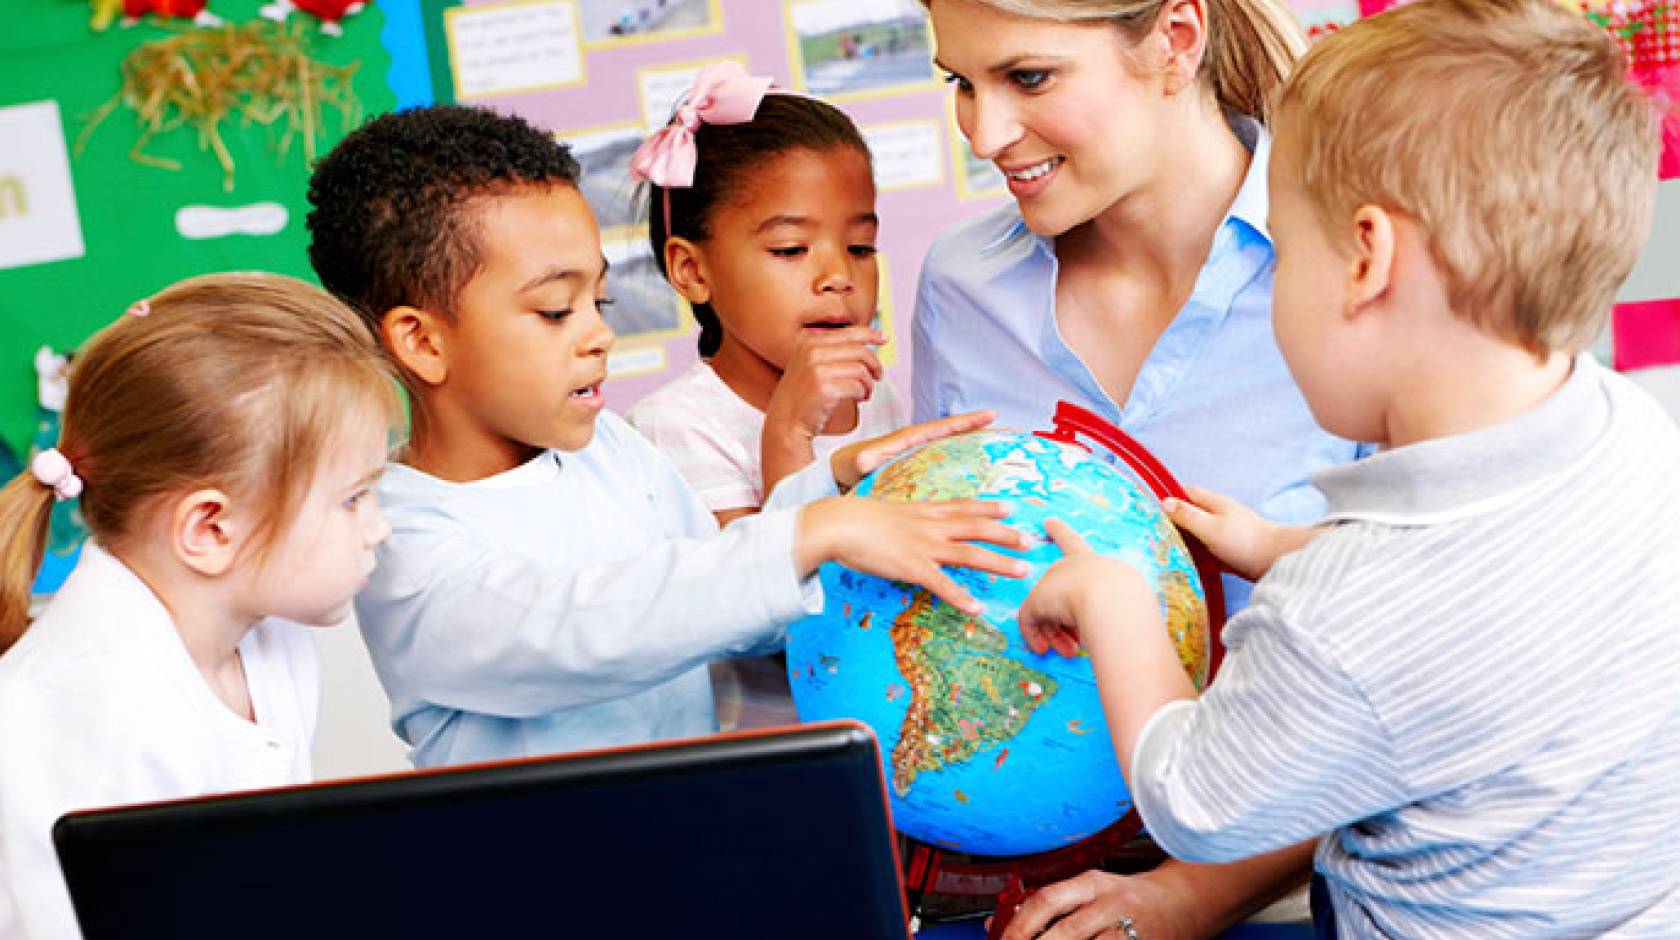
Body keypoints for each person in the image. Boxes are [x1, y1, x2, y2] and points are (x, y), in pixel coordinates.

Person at [1017, 0, 1680, 934]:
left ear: (1367, 260)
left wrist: (1110, 596)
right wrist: (1284, 546)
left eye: (1283, 253)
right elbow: (1483, 596)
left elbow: (1192, 799)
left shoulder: (1344, 612)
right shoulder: (1630, 435)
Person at [304, 104, 1029, 769]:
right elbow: (575, 629)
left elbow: (724, 594)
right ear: (422, 343)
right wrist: (815, 527)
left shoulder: (611, 453)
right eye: (556, 310)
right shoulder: (395, 535)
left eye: (599, 299)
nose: (598, 333)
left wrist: (830, 481)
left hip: (689, 851)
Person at [918, 0, 1353, 933]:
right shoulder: (958, 287)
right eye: (961, 82)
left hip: (1312, 903)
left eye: (1028, 77)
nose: (984, 133)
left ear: (1177, 40)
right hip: (1038, 902)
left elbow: (1427, 652)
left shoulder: (1361, 256)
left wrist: (1191, 897)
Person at [0, 273, 401, 939]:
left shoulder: (269, 639)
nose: (377, 526)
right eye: (353, 498)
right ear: (210, 531)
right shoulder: (86, 717)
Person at [625, 64, 903, 728]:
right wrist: (787, 439)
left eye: (860, 246)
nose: (838, 276)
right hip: (774, 770)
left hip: (886, 742)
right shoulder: (674, 428)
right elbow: (774, 635)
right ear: (692, 270)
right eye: (790, 249)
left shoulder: (878, 396)